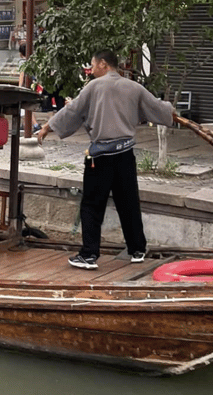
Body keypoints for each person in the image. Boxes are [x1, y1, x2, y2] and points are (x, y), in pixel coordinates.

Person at [36, 50, 174, 270]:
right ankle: (137, 249)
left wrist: (47, 127)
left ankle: (89, 255)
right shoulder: (133, 86)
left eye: (92, 66)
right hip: (125, 154)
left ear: (103, 64)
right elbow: (158, 107)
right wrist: (171, 113)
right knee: (128, 203)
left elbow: (73, 110)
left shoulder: (95, 86)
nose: (91, 70)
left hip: (100, 157)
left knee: (92, 205)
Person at [18, 42, 40, 134]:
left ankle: (36, 125)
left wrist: (19, 87)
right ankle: (24, 125)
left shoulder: (23, 62)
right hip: (33, 86)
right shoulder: (33, 61)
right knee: (26, 106)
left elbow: (22, 75)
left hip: (25, 87)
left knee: (26, 106)